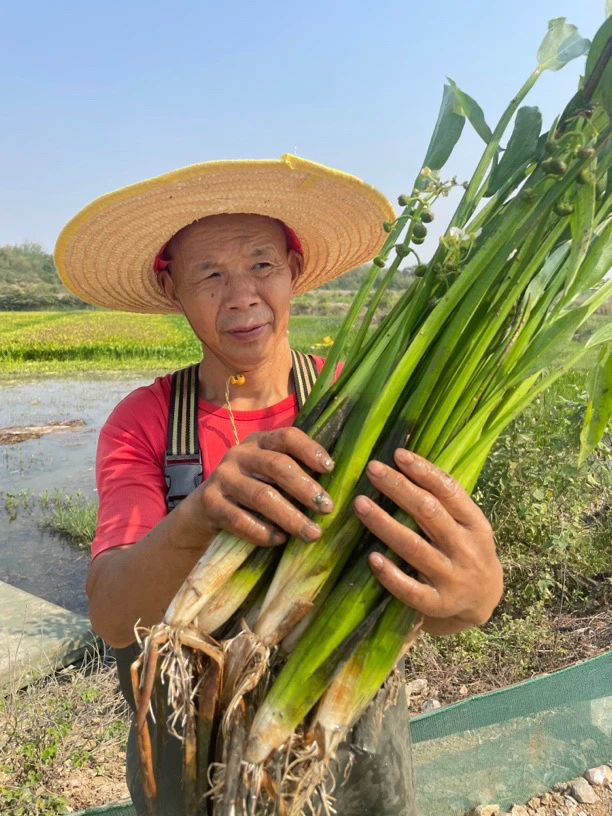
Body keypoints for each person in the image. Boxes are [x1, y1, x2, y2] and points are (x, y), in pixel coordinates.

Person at [55, 154, 503, 816]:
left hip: (351, 758)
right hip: (190, 771)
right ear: (171, 287)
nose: (241, 295)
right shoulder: (144, 422)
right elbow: (114, 615)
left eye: (261, 264)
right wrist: (202, 514)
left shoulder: (365, 402)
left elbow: (411, 583)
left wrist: (470, 597)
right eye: (209, 274)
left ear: (294, 271)